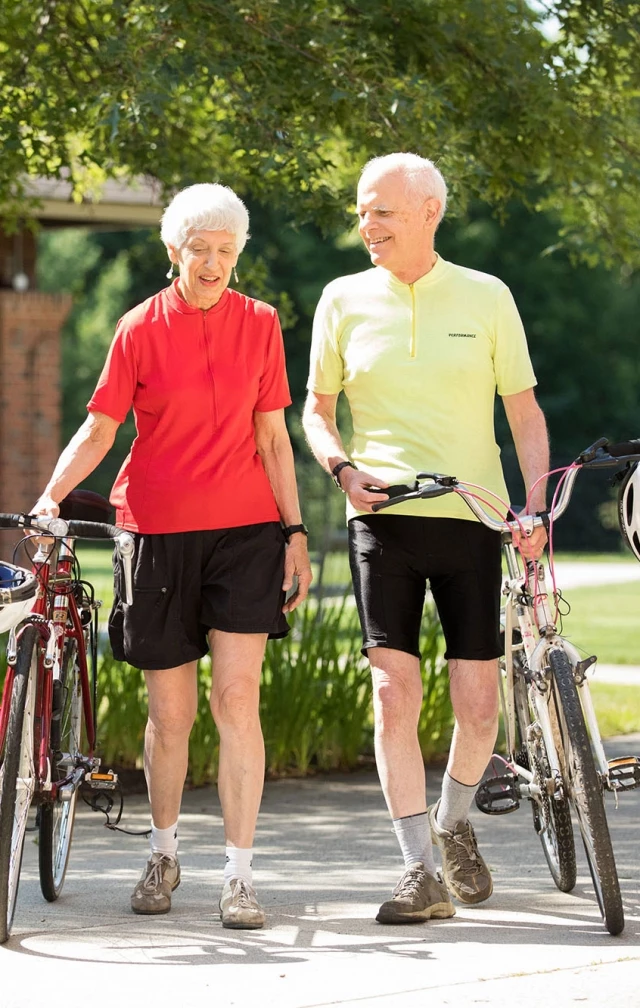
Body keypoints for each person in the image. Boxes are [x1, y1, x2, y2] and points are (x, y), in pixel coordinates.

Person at [32, 182, 312, 929]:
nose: (214, 263)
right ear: (173, 253)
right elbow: (99, 430)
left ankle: (240, 876)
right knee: (171, 713)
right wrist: (51, 497)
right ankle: (162, 853)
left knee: (236, 701)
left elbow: (275, 438)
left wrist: (295, 534)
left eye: (227, 250)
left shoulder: (261, 323)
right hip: (155, 533)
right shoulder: (137, 329)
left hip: (246, 533)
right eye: (201, 250)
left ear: (239, 252)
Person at [302, 152, 548, 924]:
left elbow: (526, 415)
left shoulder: (487, 296)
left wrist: (533, 510)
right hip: (381, 521)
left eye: (382, 211)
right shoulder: (341, 298)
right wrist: (342, 470)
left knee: (479, 707)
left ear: (429, 212)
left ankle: (451, 825)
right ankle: (416, 869)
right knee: (391, 692)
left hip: (473, 517)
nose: (366, 225)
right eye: (362, 211)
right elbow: (314, 410)